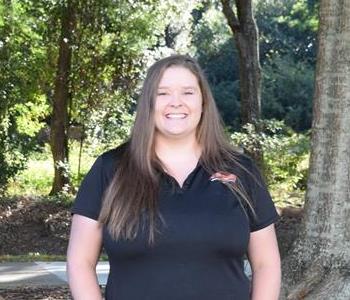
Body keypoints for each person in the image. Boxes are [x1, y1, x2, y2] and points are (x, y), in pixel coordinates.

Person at [67, 54, 281, 300]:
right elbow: (79, 261)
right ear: (149, 103)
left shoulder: (241, 170)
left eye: (188, 92)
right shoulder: (111, 169)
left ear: (203, 102)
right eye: (163, 93)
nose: (176, 102)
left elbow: (267, 264)